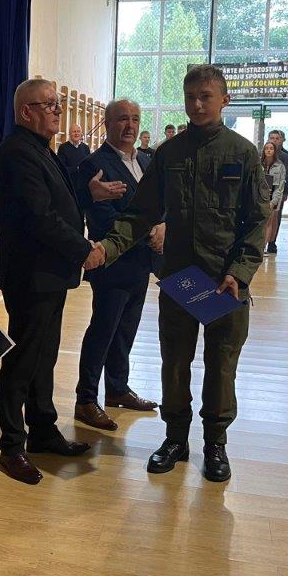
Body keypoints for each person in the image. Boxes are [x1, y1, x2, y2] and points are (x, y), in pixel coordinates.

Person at [90, 64, 269, 482]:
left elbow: (257, 221)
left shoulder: (243, 154)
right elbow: (140, 213)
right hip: (183, 278)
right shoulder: (170, 154)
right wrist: (107, 247)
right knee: (174, 362)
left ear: (224, 100)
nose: (197, 105)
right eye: (190, 97)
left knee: (221, 365)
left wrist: (240, 273)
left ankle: (215, 443)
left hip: (224, 281)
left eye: (206, 97)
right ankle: (175, 439)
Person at [0, 80, 104, 485]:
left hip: (49, 274)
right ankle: (11, 446)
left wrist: (88, 195)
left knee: (44, 356)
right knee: (23, 360)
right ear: (26, 111)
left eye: (57, 104)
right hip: (31, 276)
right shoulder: (16, 154)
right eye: (50, 104)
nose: (57, 110)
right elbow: (40, 217)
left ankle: (42, 430)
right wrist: (83, 248)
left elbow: (61, 201)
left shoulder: (40, 149)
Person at [72, 100, 161, 432]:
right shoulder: (93, 165)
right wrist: (148, 231)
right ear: (107, 123)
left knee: (126, 330)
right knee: (103, 330)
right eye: (122, 119)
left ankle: (117, 388)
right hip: (112, 262)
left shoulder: (147, 161)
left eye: (135, 119)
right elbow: (102, 217)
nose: (130, 125)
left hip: (142, 263)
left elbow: (160, 203)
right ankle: (86, 399)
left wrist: (163, 226)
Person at [265, 129, 288, 255]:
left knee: (275, 216)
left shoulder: (285, 156)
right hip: (264, 191)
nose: (275, 140)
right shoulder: (262, 154)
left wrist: (285, 192)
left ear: (282, 140)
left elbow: (287, 175)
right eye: (272, 138)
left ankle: (272, 242)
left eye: (277, 138)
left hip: (277, 190)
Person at [261, 141, 286, 255]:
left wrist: (274, 201)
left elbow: (280, 186)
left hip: (273, 196)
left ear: (275, 151)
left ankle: (264, 247)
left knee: (269, 222)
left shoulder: (280, 166)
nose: (269, 150)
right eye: (266, 148)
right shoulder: (259, 165)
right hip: (260, 196)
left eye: (271, 148)